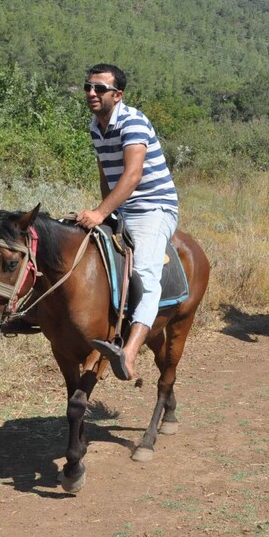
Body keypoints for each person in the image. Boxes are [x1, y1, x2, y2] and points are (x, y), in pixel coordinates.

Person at [75, 63, 177, 381]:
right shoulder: (95, 125)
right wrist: (108, 211)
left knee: (145, 276)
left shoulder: (133, 122)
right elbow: (107, 174)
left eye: (100, 89)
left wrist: (101, 213)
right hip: (123, 209)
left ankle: (129, 353)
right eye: (88, 87)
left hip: (153, 207)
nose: (92, 93)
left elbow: (132, 176)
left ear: (117, 95)